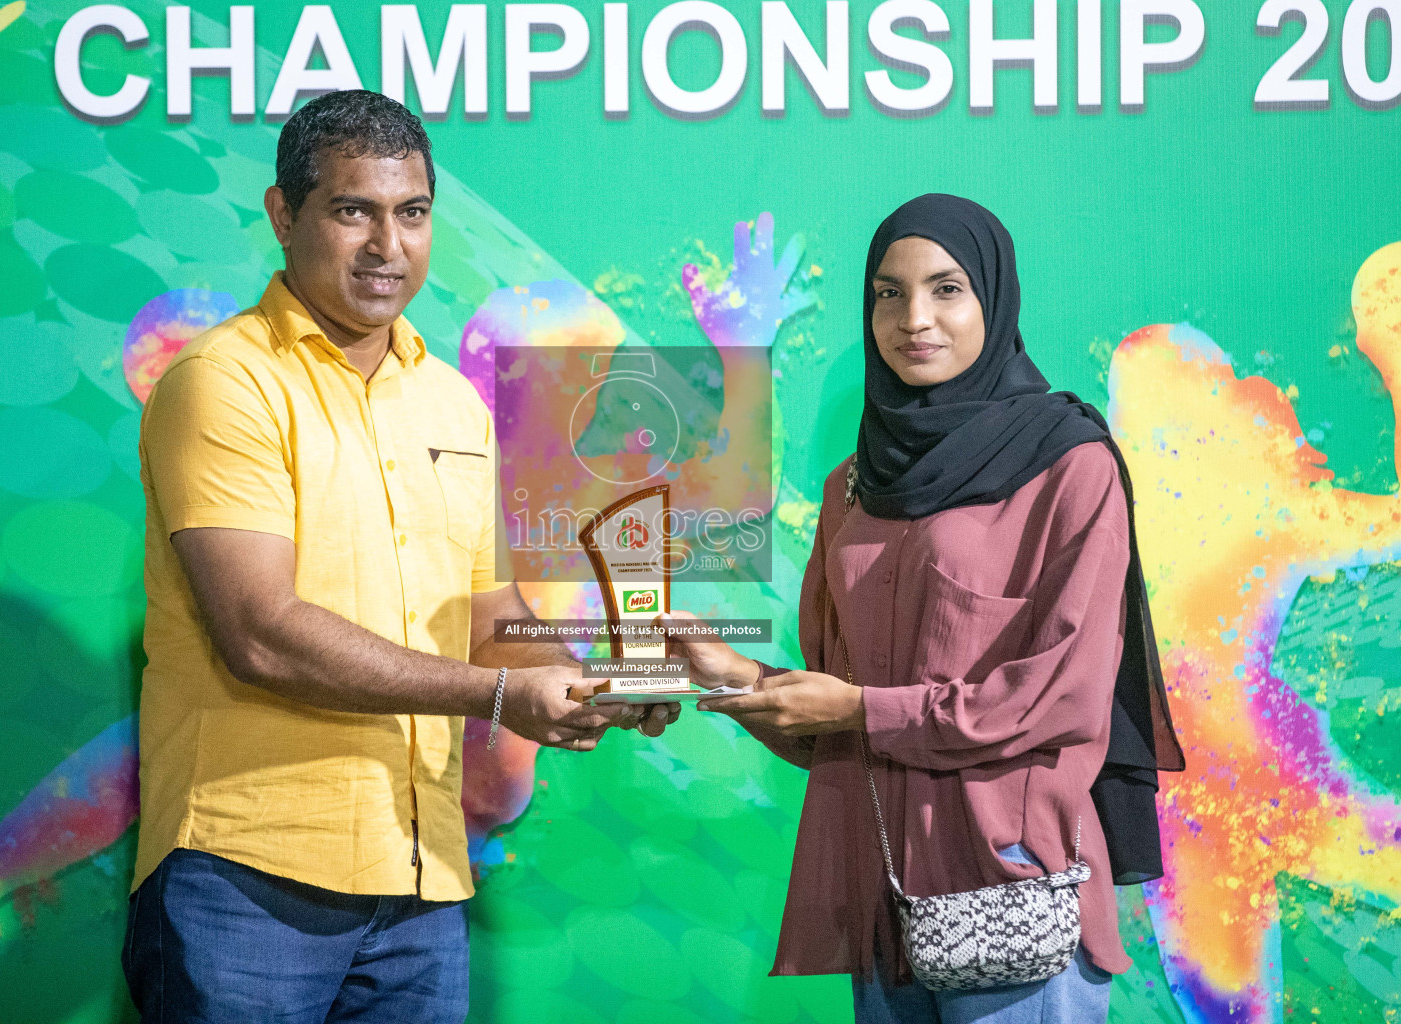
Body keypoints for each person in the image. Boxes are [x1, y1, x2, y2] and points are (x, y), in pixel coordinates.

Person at [122, 90, 671, 1023]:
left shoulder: (453, 405)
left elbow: (493, 619)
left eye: (411, 213)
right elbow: (263, 633)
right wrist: (499, 696)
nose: (389, 246)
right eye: (353, 211)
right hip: (247, 881)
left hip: (422, 881)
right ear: (284, 215)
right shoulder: (223, 383)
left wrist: (585, 683)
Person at [663, 194, 1181, 1024]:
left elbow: (1063, 694)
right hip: (883, 893)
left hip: (1012, 894)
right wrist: (739, 680)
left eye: (947, 289)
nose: (914, 318)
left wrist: (864, 708)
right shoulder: (853, 487)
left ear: (995, 300)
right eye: (888, 293)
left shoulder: (1069, 467)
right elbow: (841, 716)